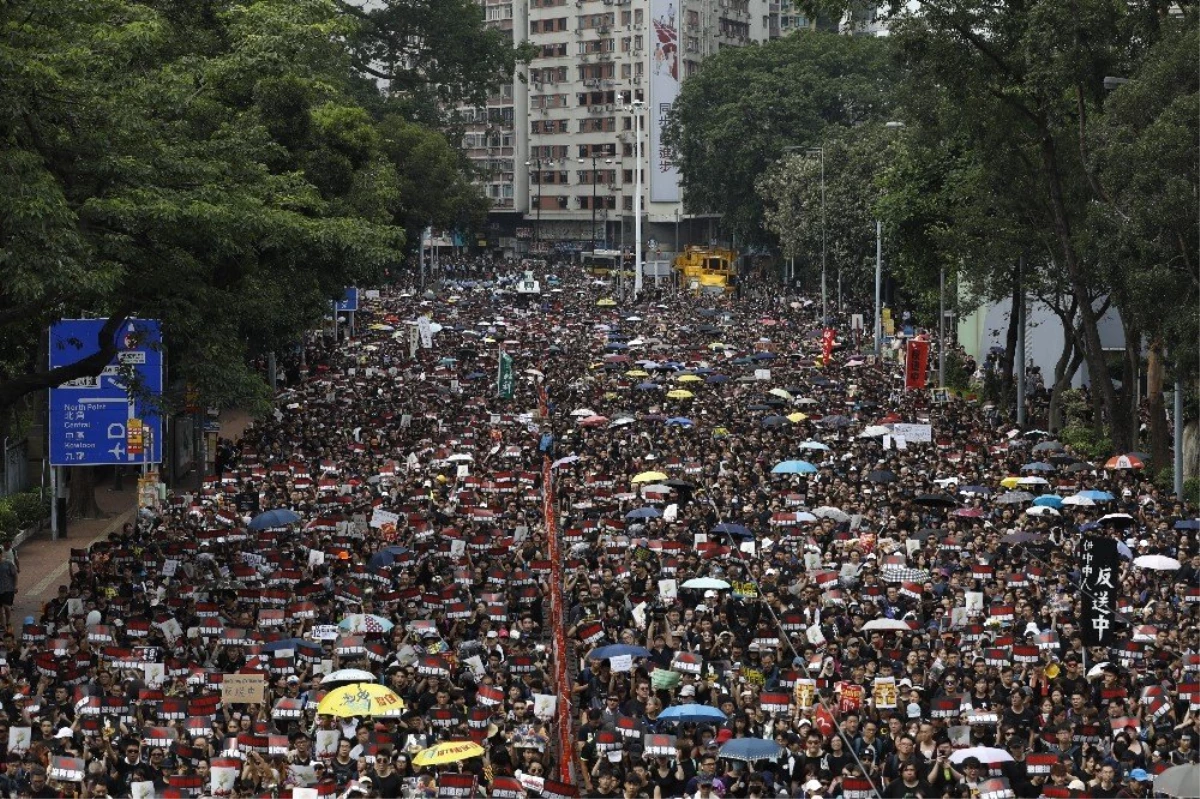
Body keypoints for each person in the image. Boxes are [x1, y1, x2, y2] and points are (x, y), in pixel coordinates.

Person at [0, 540, 17, 631]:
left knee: (7, 607)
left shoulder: (8, 563)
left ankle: (8, 622)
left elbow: (15, 575)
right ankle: (2, 625)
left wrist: (15, 586)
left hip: (8, 588)